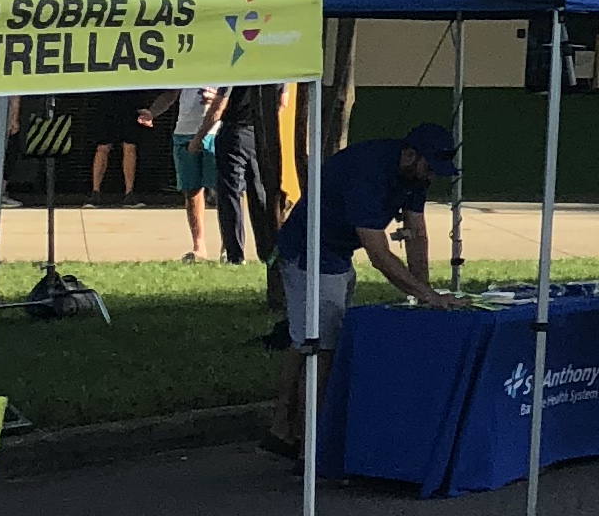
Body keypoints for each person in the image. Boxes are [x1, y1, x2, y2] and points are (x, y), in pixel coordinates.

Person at [265, 120, 463, 455]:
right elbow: (379, 254)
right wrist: (426, 294)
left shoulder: (414, 175)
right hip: (309, 253)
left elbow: (416, 233)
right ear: (410, 155)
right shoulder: (367, 173)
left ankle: (283, 430)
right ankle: (310, 446)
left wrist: (426, 294)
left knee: (307, 341)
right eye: (430, 168)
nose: (431, 177)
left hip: (337, 253)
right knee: (322, 348)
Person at [213, 81, 282, 265]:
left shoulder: (237, 72)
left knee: (231, 194)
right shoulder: (279, 73)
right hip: (261, 133)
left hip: (234, 129)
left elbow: (220, 103)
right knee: (260, 192)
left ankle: (235, 253)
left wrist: (199, 137)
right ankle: (267, 250)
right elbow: (282, 102)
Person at [165, 84, 222, 261]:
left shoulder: (223, 70)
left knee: (226, 191)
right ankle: (199, 247)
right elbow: (171, 93)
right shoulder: (184, 71)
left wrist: (217, 100)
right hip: (183, 131)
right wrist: (152, 112)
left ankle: (229, 246)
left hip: (216, 131)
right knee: (191, 191)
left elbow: (234, 97)